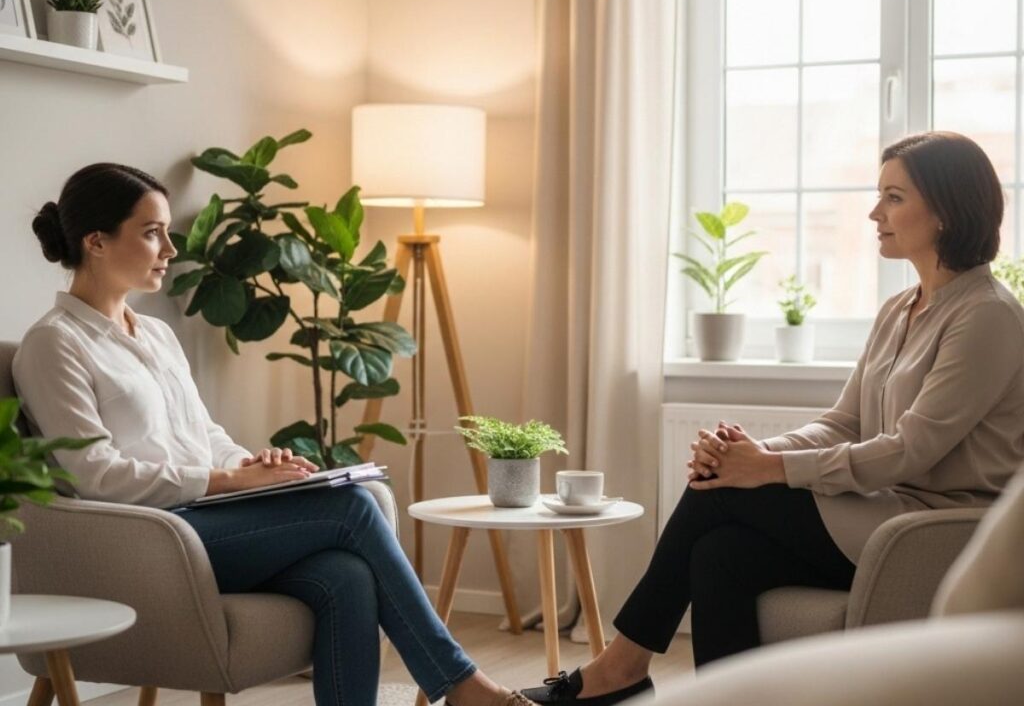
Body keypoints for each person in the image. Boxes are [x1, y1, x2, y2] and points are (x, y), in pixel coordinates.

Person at [521, 131, 1024, 706]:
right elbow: (844, 421)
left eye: (893, 197)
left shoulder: (987, 318)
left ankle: (619, 668)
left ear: (945, 211)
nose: (873, 213)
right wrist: (755, 452)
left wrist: (770, 467)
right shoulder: (900, 309)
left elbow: (910, 451)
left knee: (718, 492)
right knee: (720, 555)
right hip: (882, 514)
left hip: (931, 529)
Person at [13, 162, 534, 706]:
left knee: (345, 574)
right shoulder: (54, 345)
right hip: (148, 538)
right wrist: (223, 482)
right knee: (353, 506)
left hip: (200, 521)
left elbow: (203, 432)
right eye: (151, 233)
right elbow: (93, 475)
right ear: (96, 241)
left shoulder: (156, 334)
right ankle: (462, 686)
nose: (170, 248)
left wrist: (252, 469)